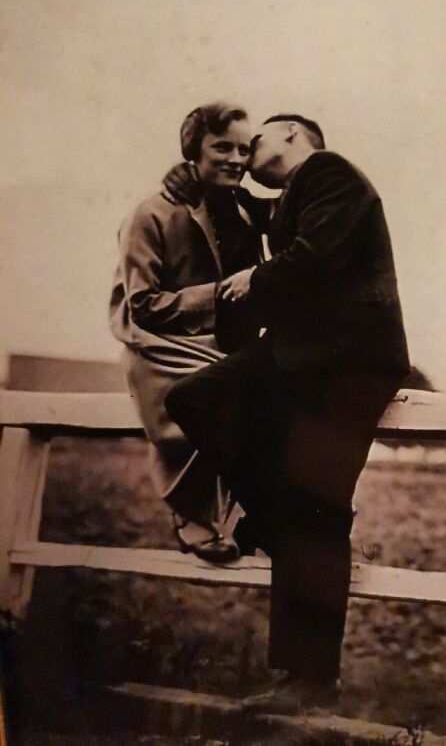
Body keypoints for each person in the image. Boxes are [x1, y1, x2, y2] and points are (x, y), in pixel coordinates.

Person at [164, 113, 410, 710]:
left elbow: (316, 254)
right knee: (193, 397)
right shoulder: (294, 195)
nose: (247, 151)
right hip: (299, 357)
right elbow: (243, 212)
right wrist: (195, 180)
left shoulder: (329, 172)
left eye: (258, 139)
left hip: (350, 364)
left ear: (295, 137)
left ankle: (307, 680)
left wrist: (257, 277)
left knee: (318, 512)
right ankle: (272, 522)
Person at [109, 103, 268, 563]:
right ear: (192, 150)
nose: (235, 159)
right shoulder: (150, 213)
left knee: (264, 386)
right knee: (214, 395)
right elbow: (141, 305)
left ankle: (253, 516)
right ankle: (190, 514)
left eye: (243, 149)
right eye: (222, 147)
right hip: (156, 340)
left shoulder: (239, 211)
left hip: (216, 340)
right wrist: (219, 295)